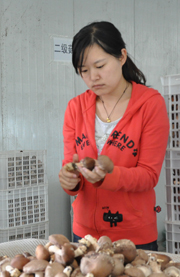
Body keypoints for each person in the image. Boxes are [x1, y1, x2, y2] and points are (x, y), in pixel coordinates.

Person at [58, 21, 169, 251]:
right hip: (84, 235)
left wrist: (106, 177)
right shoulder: (75, 108)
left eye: (100, 65)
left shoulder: (150, 105)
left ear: (121, 57)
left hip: (133, 238)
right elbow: (72, 165)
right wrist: (69, 181)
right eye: (84, 70)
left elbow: (149, 175)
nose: (93, 77)